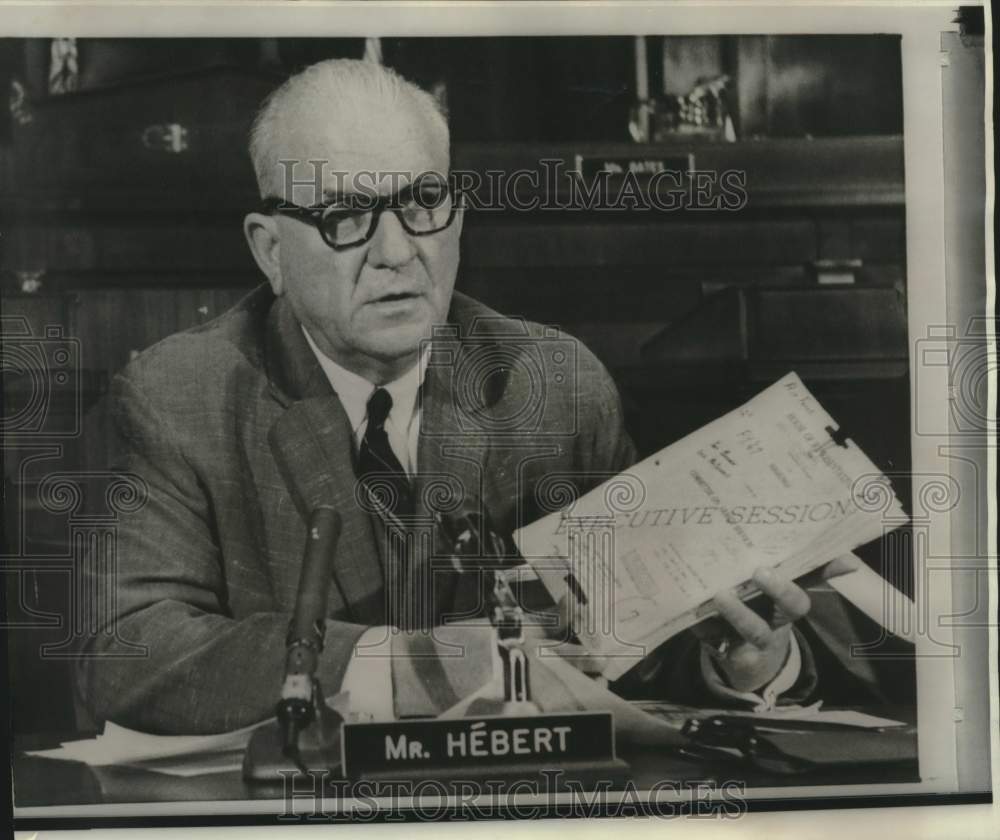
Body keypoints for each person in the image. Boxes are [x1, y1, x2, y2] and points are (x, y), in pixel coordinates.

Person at [76, 59, 888, 736]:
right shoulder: (177, 397)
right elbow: (127, 652)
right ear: (270, 251)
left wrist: (739, 662)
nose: (397, 252)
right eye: (345, 216)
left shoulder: (553, 385)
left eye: (423, 202)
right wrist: (405, 671)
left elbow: (639, 637)